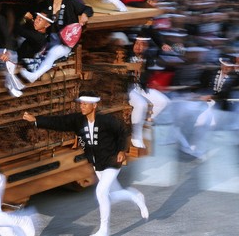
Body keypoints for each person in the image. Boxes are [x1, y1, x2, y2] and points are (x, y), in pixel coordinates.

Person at [23, 91, 148, 236]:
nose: (81, 106)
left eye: (85, 104)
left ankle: (104, 230)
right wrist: (36, 120)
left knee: (101, 192)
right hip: (97, 164)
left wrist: (121, 150)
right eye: (81, 104)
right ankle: (135, 196)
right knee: (111, 195)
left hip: (112, 161)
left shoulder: (106, 120)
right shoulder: (78, 121)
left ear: (94, 106)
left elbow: (121, 131)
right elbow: (59, 122)